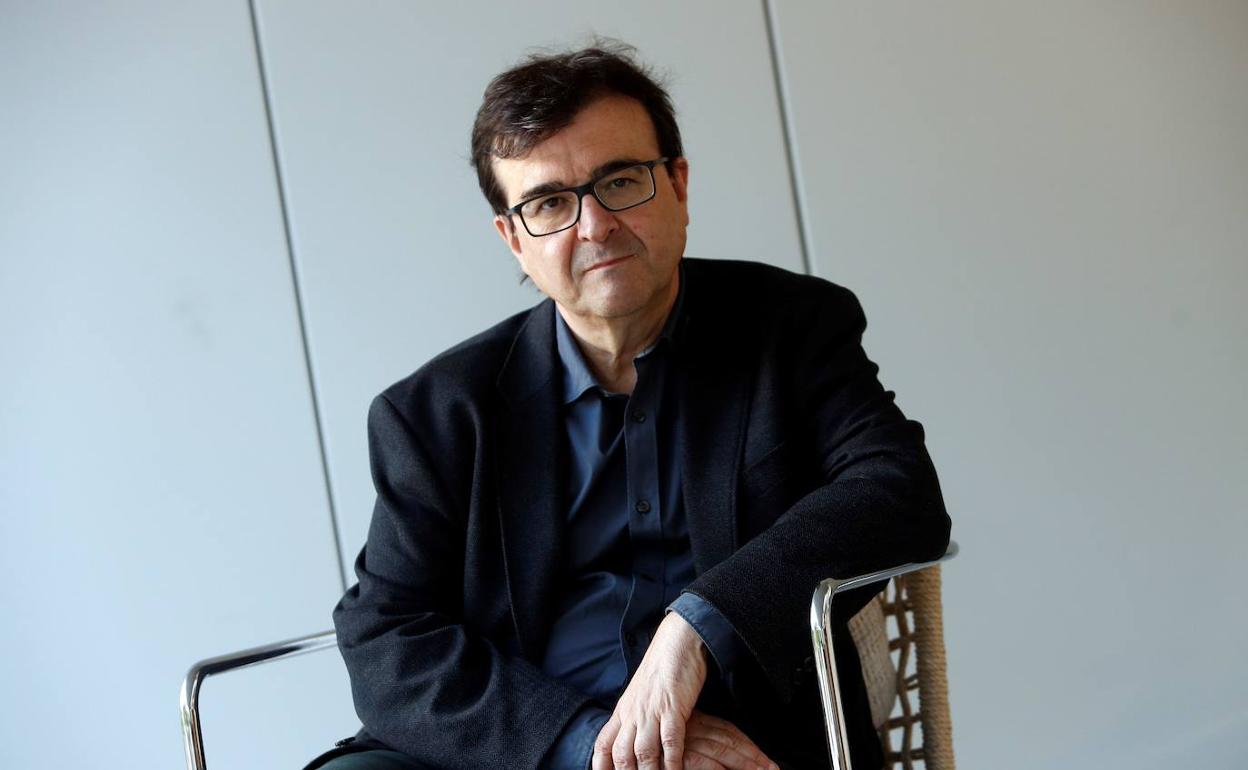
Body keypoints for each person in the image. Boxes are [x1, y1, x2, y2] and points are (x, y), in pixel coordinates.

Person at [307, 42, 950, 770]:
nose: (594, 225)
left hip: (738, 742)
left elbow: (897, 490)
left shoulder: (791, 328)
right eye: (550, 203)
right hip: (518, 748)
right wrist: (586, 743)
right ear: (513, 238)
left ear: (678, 184)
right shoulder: (435, 414)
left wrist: (699, 624)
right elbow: (386, 634)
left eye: (619, 181)